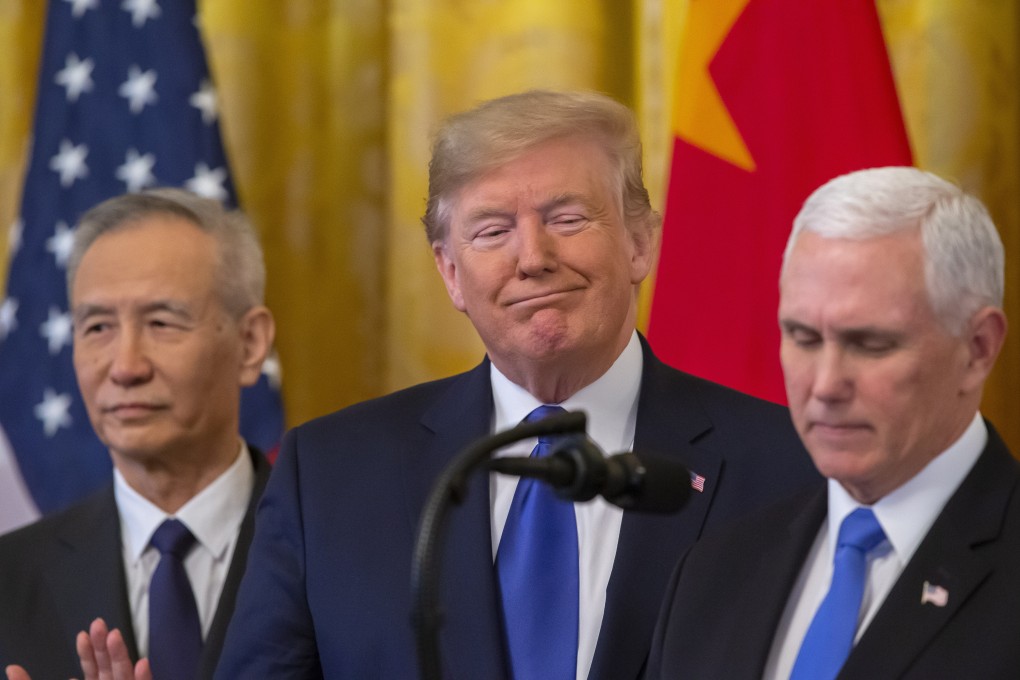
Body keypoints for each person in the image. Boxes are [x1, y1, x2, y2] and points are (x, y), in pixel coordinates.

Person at [215, 89, 819, 680]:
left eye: (567, 218)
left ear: (640, 243)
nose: (533, 257)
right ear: (450, 272)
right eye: (492, 231)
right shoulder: (328, 474)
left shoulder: (790, 469)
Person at [645, 166, 1019, 679]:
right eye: (802, 338)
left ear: (977, 349)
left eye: (870, 344)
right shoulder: (712, 571)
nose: (824, 385)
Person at [0, 189, 277, 680]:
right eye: (98, 327)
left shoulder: (342, 557)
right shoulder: (8, 578)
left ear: (250, 343)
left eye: (161, 322)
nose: (125, 367)